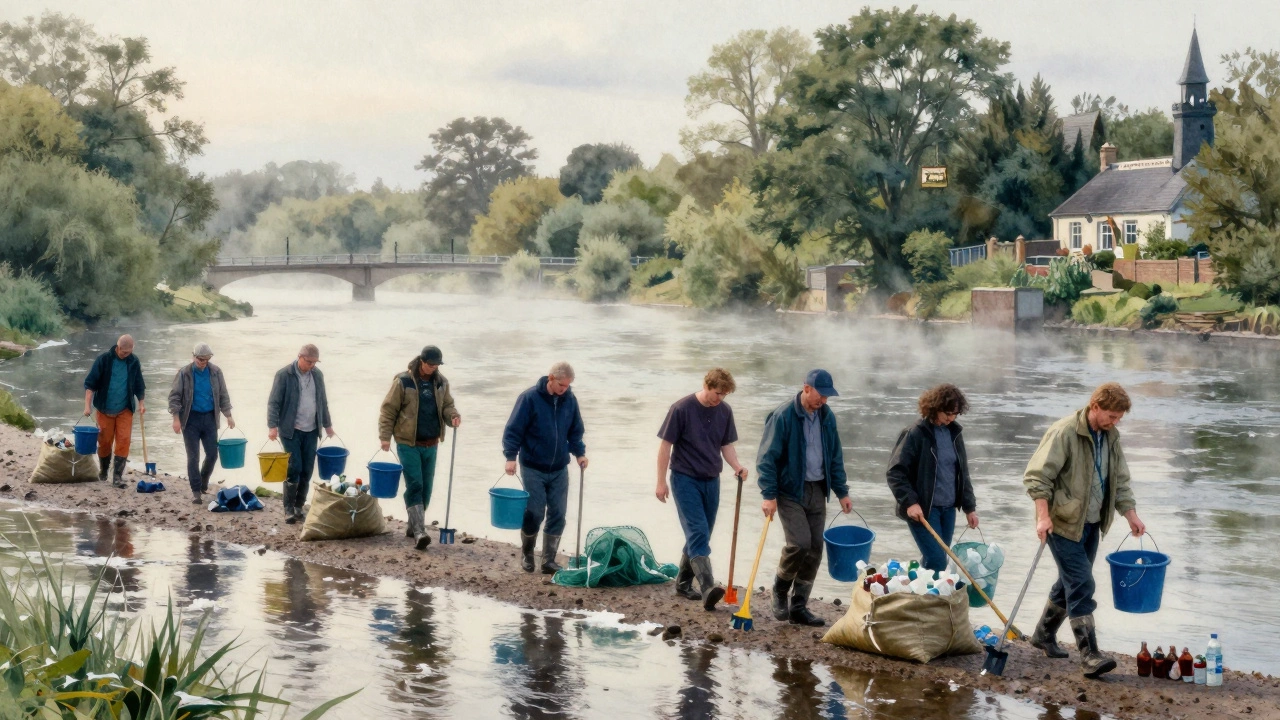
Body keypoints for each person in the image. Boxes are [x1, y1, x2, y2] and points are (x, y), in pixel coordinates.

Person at [1023, 382, 1146, 679]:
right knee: (1081, 582)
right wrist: (1042, 517)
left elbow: (1120, 480)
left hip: (1091, 523)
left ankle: (1043, 634)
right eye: (1111, 416)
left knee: (1070, 582)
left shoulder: (1111, 437)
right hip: (1062, 522)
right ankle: (1089, 655)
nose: (1114, 423)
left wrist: (1131, 515)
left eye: (1118, 418)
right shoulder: (1064, 432)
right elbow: (1037, 477)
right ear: (1095, 406)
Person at [756, 369, 853, 627]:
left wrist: (841, 491)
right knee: (799, 543)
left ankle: (799, 606)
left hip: (817, 489)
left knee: (815, 549)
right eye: (820, 395)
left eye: (827, 397)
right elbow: (767, 459)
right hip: (790, 490)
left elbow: (834, 456)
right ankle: (779, 591)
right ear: (806, 388)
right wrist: (769, 495)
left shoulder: (826, 416)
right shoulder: (783, 416)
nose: (823, 401)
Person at [655, 368, 748, 610]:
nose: (720, 399)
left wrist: (737, 466)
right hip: (684, 478)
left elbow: (726, 445)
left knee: (702, 533)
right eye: (718, 393)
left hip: (711, 479)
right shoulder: (681, 408)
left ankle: (683, 584)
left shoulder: (725, 411)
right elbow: (665, 447)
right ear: (706, 385)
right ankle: (707, 587)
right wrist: (661, 481)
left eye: (725, 395)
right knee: (697, 532)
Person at [501, 361, 587, 574]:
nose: (564, 389)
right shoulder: (529, 398)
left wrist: (580, 453)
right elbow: (513, 429)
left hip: (559, 467)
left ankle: (548, 560)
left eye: (567, 386)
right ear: (551, 378)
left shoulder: (570, 400)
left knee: (559, 512)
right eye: (561, 385)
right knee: (535, 512)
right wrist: (510, 456)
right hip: (532, 466)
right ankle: (528, 553)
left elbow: (575, 430)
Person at [886, 384, 979, 572]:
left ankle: (923, 594)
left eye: (955, 414)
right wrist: (910, 502)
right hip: (924, 509)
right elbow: (895, 472)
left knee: (937, 560)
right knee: (936, 559)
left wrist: (970, 508)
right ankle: (929, 596)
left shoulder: (954, 434)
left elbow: (963, 472)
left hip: (948, 509)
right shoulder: (915, 433)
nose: (951, 419)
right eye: (947, 414)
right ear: (935, 407)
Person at [378, 345, 461, 550]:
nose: (433, 368)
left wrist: (453, 416)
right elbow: (388, 409)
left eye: (437, 365)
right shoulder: (403, 381)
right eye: (431, 364)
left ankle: (412, 525)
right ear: (422, 361)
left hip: (431, 443)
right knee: (415, 484)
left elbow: (447, 405)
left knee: (427, 488)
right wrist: (385, 437)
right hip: (408, 443)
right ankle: (419, 531)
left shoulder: (441, 382)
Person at [267, 344, 335, 524]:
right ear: (300, 357)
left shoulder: (317, 375)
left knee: (307, 469)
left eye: (314, 362)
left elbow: (323, 401)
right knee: (294, 467)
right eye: (309, 361)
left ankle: (299, 506)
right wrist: (272, 426)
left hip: (312, 429)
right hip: (290, 429)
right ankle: (288, 509)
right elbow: (273, 402)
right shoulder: (284, 375)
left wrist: (327, 425)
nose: (312, 365)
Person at [167, 342, 235, 504]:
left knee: (212, 454)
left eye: (206, 359)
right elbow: (174, 397)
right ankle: (196, 491)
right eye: (200, 359)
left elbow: (223, 395)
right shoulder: (185, 373)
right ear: (193, 357)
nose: (202, 362)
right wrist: (176, 419)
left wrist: (228, 415)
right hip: (190, 420)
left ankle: (203, 481)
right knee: (193, 457)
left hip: (210, 418)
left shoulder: (216, 372)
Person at [83, 334, 146, 488]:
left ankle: (117, 476)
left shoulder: (133, 361)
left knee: (124, 440)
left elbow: (139, 384)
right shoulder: (103, 360)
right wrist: (87, 406)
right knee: (104, 441)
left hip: (125, 408)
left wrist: (142, 403)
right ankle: (104, 470)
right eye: (124, 352)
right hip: (104, 408)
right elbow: (90, 384)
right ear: (118, 348)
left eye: (129, 352)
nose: (126, 355)